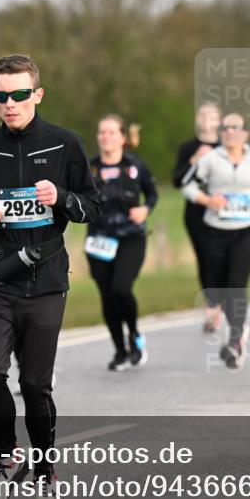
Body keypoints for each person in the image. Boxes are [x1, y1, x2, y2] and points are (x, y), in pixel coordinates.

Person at [0, 54, 100, 499]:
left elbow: (92, 205)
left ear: (37, 94)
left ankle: (46, 473)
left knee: (35, 387)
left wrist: (64, 199)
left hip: (48, 281)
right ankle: (5, 459)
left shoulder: (64, 144)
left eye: (19, 94)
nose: (10, 104)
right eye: (1, 96)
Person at [182, 112, 250, 369]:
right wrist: (207, 200)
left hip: (247, 229)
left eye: (236, 127)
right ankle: (238, 327)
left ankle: (235, 341)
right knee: (222, 287)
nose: (230, 132)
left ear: (246, 133)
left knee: (237, 284)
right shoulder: (211, 159)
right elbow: (188, 186)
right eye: (225, 128)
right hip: (214, 231)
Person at [86, 115, 158, 371]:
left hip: (131, 237)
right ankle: (119, 350)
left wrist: (145, 210)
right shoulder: (89, 169)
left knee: (121, 289)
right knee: (107, 296)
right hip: (99, 240)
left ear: (123, 138)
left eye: (111, 132)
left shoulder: (136, 166)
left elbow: (152, 193)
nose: (106, 137)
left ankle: (135, 337)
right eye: (102, 132)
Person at [173, 102, 224, 333]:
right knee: (205, 259)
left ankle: (223, 300)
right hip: (196, 213)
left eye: (211, 116)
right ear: (197, 120)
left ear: (219, 120)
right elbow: (177, 180)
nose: (206, 120)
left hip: (224, 213)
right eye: (202, 115)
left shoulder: (227, 146)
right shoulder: (188, 148)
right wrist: (195, 160)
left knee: (223, 259)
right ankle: (212, 309)